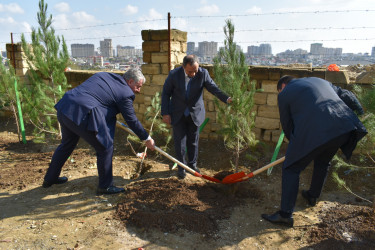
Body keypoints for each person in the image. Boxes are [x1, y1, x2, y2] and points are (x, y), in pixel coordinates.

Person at [261, 75, 367, 227]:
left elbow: (287, 125)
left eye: (279, 91)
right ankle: (312, 196)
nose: (280, 93)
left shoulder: (285, 93)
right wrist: (361, 114)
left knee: (291, 168)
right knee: (323, 161)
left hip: (316, 131)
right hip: (343, 127)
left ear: (282, 86)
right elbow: (347, 95)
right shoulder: (320, 80)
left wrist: (296, 148)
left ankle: (285, 215)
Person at [43, 69, 155, 194]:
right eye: (138, 86)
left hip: (66, 108)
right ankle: (105, 186)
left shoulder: (104, 75)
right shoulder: (125, 93)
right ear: (130, 81)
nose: (138, 90)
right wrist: (146, 138)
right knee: (105, 147)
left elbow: (101, 101)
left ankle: (50, 179)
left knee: (66, 144)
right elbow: (132, 120)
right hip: (83, 113)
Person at [161, 55, 232, 179]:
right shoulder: (174, 75)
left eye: (195, 70)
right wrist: (165, 113)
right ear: (183, 67)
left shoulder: (203, 74)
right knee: (180, 142)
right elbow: (166, 94)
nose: (193, 74)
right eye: (190, 71)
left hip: (195, 113)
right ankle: (181, 168)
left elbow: (213, 88)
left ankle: (192, 165)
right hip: (178, 113)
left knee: (193, 141)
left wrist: (226, 98)